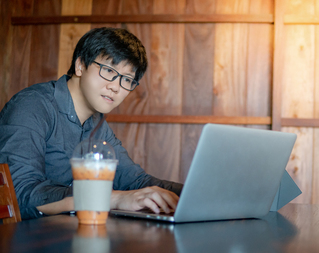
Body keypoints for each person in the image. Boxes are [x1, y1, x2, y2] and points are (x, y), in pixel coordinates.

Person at [0, 27, 183, 220]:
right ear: (80, 65)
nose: (115, 87)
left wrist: (197, 193)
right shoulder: (32, 106)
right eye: (108, 71)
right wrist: (110, 198)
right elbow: (19, 194)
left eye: (127, 80)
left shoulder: (97, 123)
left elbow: (135, 181)